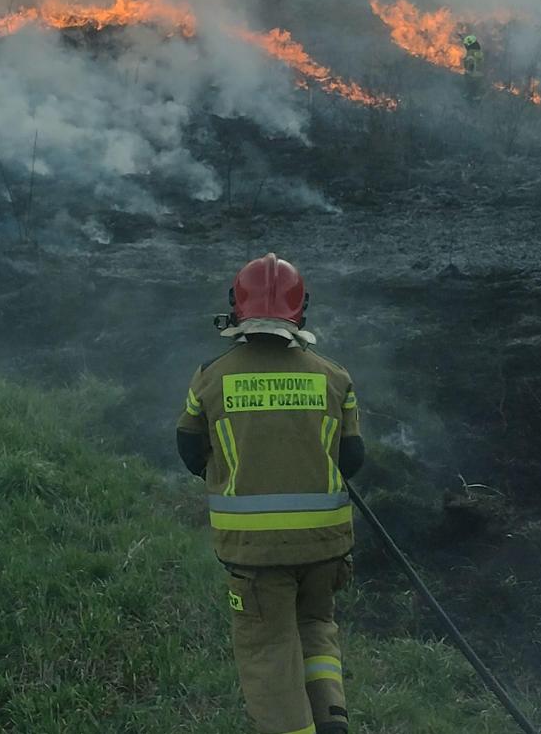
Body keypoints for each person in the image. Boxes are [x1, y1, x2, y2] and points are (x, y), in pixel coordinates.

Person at [177, 253, 366, 734]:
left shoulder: (211, 376)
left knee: (268, 649)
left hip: (255, 553)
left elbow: (189, 448)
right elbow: (352, 459)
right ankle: (331, 719)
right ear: (301, 310)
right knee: (316, 628)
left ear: (236, 308)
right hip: (325, 546)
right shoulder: (334, 376)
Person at [460, 33, 488, 102]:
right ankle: (476, 98)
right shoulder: (479, 52)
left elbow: (470, 64)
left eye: (466, 45)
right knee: (476, 92)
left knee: (471, 91)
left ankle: (470, 98)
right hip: (480, 76)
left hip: (472, 76)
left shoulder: (470, 53)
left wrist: (468, 70)